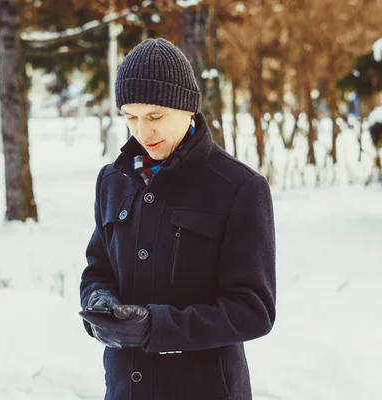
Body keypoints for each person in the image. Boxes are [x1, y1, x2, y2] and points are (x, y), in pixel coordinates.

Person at [79, 38, 276, 400]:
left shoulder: (239, 188)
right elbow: (98, 271)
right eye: (130, 117)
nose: (142, 131)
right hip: (125, 390)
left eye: (155, 116)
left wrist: (156, 327)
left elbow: (253, 310)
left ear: (188, 110)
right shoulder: (112, 181)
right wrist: (99, 303)